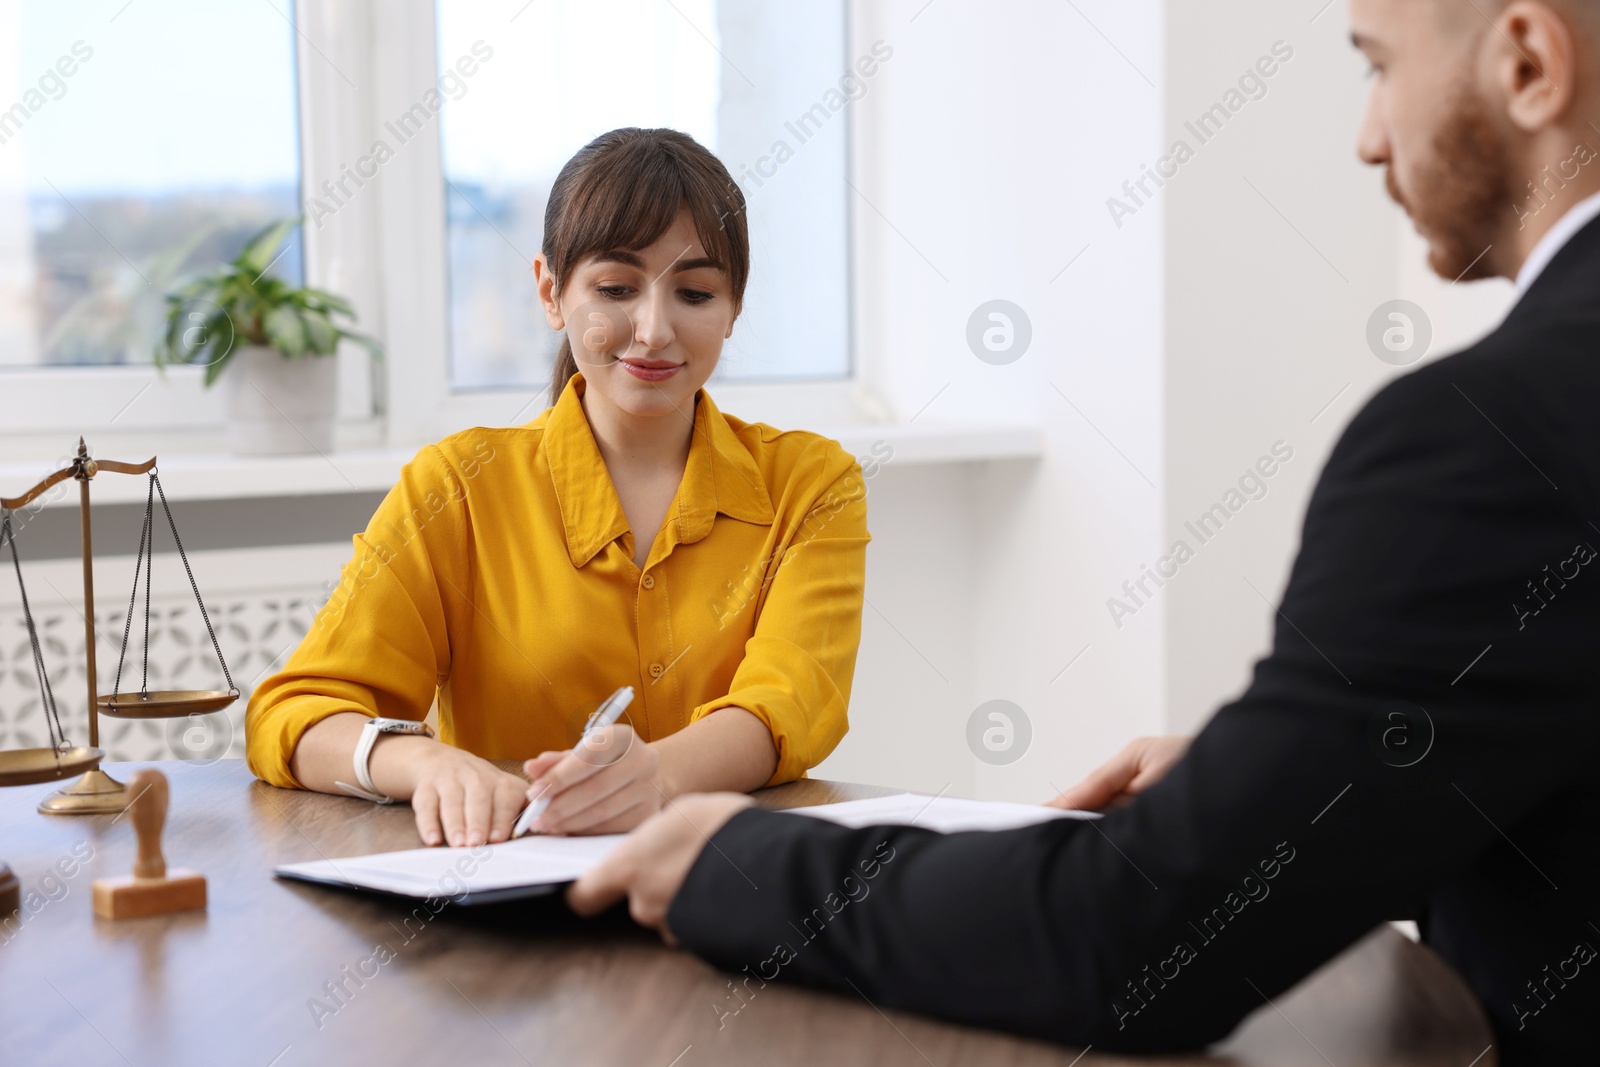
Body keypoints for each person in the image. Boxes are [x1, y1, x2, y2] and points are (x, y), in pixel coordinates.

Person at [567, 2, 1600, 1061]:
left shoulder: (1486, 438)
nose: (1368, 134)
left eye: (1377, 69)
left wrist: (738, 863)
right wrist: (1315, 769)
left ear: (1527, 62)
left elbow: (1131, 934)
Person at [245, 128, 869, 850]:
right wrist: (423, 762)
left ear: (733, 307)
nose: (654, 329)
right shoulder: (457, 487)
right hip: (516, 904)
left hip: (730, 881)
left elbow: (791, 700)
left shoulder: (811, 483)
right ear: (551, 291)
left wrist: (655, 776)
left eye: (695, 292)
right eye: (615, 289)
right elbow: (293, 713)